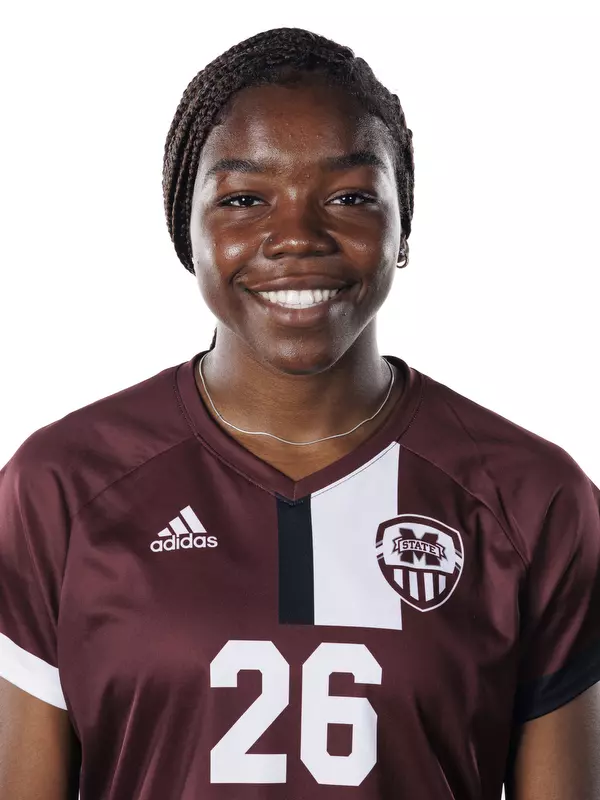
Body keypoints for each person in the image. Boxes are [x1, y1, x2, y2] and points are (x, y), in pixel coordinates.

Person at [0, 25, 598, 800]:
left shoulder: (532, 498)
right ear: (188, 230)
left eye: (349, 197)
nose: (297, 238)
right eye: (245, 199)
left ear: (402, 224)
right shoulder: (62, 487)